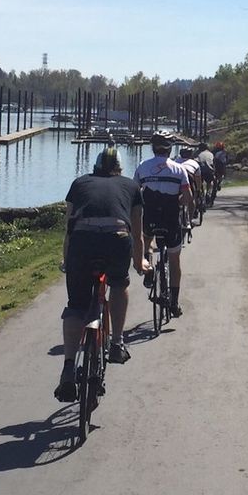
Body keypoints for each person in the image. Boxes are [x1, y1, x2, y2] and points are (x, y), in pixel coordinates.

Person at [57, 147, 148, 402]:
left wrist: (67, 260)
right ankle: (117, 343)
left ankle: (68, 367)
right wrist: (139, 261)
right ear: (119, 168)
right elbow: (137, 232)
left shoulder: (79, 183)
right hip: (117, 240)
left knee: (76, 306)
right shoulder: (131, 186)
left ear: (95, 167)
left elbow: (69, 227)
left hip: (82, 242)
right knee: (118, 284)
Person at [134, 133, 194, 317]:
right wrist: (178, 204)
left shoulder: (143, 166)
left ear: (153, 148)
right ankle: (174, 303)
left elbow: (134, 194)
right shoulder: (179, 169)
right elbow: (188, 197)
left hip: (150, 218)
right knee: (174, 260)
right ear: (170, 148)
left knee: (147, 239)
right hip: (171, 220)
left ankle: (148, 267)